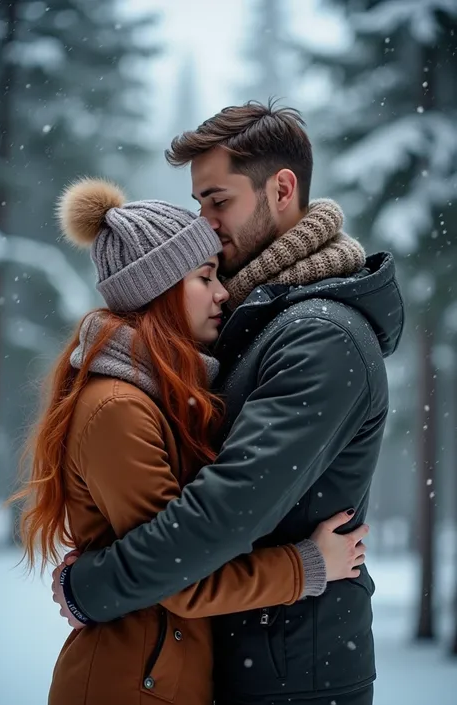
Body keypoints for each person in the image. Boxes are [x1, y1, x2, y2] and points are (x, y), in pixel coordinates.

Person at [51, 102, 405, 705]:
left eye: (219, 202)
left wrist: (94, 585)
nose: (208, 223)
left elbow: (218, 516)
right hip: (251, 662)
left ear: (282, 188)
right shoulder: (261, 322)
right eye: (199, 207)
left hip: (295, 675)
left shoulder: (320, 335)